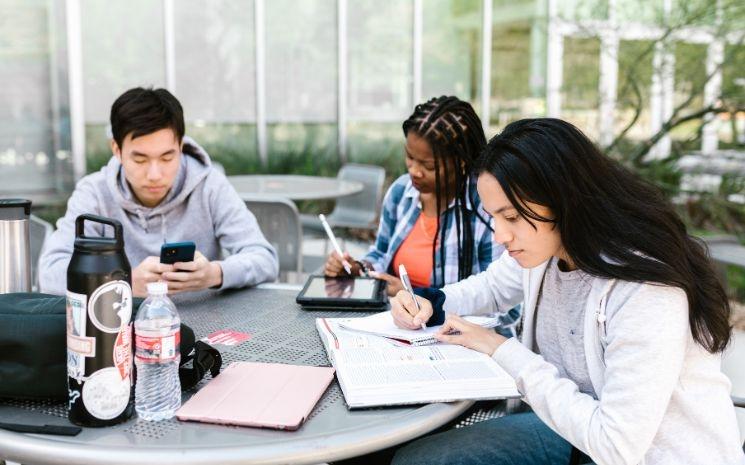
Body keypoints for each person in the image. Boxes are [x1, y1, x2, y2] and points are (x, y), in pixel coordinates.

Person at [390, 118, 744, 465]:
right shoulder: (548, 246)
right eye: (493, 217)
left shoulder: (645, 289)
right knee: (415, 459)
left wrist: (502, 349)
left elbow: (616, 448)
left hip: (645, 454)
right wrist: (430, 301)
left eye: (511, 217)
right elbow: (492, 287)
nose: (500, 235)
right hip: (573, 432)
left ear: (563, 200)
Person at [39, 87, 278, 297]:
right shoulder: (94, 193)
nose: (155, 174)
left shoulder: (210, 185)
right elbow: (50, 272)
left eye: (167, 157)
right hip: (122, 330)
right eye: (140, 159)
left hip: (206, 328)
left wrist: (215, 274)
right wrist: (124, 283)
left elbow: (264, 258)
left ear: (181, 146)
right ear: (117, 149)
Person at [325, 96, 502, 296]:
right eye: (410, 157)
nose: (414, 171)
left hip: (452, 326)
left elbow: (501, 303)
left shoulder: (487, 208)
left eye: (429, 166)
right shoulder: (401, 192)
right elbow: (382, 254)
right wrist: (358, 268)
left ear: (461, 162)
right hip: (392, 319)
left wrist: (416, 297)